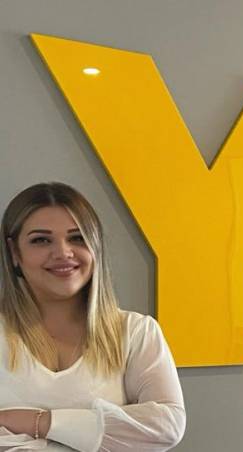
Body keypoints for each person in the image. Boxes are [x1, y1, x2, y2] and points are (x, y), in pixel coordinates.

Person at [0, 182, 185, 451]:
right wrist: (99, 431)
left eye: (77, 238)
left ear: (95, 245)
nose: (63, 252)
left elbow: (166, 426)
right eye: (41, 240)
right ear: (15, 252)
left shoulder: (136, 332)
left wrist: (39, 422)